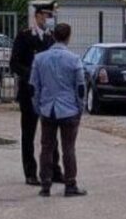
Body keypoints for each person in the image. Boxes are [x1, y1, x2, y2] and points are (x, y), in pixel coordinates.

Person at [29, 23, 87, 198]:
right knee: (69, 148)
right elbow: (80, 87)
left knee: (46, 147)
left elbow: (34, 87)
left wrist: (38, 106)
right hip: (69, 109)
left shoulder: (39, 59)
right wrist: (80, 108)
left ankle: (45, 184)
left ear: (53, 36)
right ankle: (70, 185)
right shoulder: (74, 59)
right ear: (69, 37)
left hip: (48, 109)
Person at [11, 4, 63, 187]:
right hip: (29, 92)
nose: (49, 19)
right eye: (47, 15)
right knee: (29, 133)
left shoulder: (50, 38)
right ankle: (30, 173)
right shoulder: (25, 36)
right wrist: (32, 75)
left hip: (48, 93)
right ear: (38, 16)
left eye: (51, 16)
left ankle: (54, 170)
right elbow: (14, 63)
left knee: (51, 134)